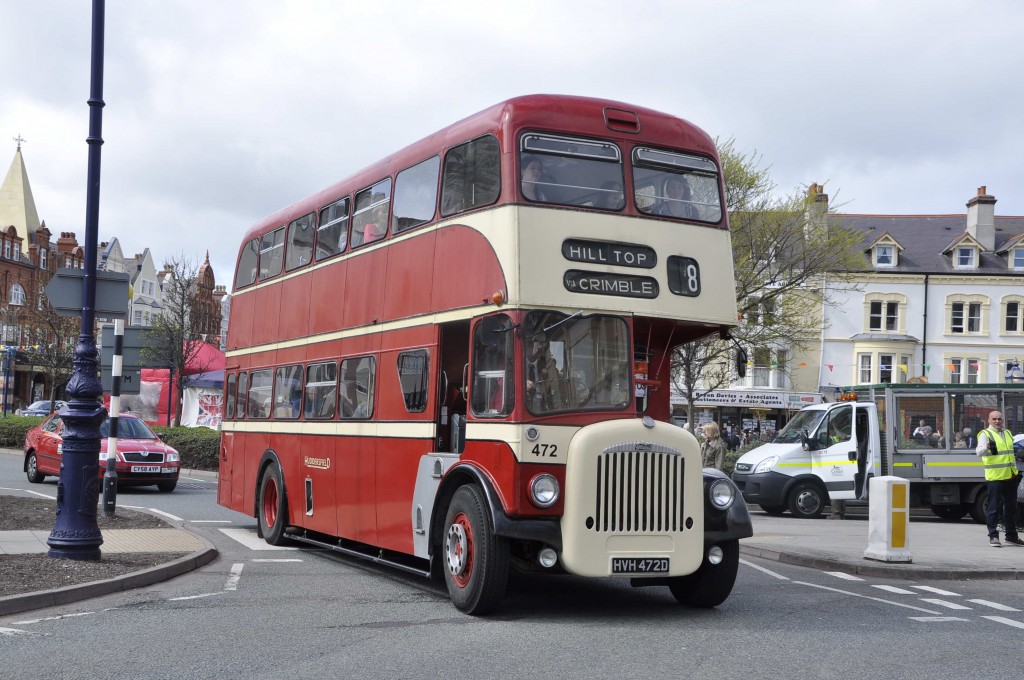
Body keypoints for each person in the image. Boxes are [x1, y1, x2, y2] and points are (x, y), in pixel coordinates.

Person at [975, 410, 1023, 547]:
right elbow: (978, 452)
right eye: (994, 419)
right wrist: (987, 446)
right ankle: (993, 536)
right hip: (995, 477)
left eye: (999, 419)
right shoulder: (985, 434)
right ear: (989, 420)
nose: (997, 421)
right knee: (993, 508)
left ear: (1003, 420)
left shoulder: (1007, 433)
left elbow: (1010, 452)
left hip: (1010, 475)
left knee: (1011, 507)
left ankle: (1011, 536)